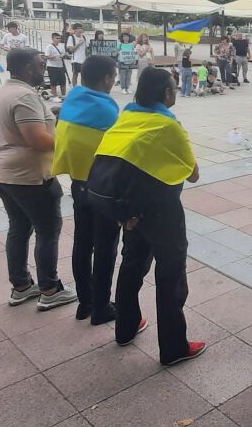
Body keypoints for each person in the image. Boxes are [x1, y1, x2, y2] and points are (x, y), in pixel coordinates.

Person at [88, 67, 205, 364]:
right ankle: (174, 347)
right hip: (162, 210)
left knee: (132, 266)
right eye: (173, 88)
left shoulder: (126, 117)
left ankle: (125, 327)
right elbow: (193, 174)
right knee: (170, 274)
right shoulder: (167, 125)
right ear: (166, 93)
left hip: (130, 210)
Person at [0, 47, 76, 310]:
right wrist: (66, 140)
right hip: (29, 176)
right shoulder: (24, 96)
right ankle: (50, 289)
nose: (44, 70)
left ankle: (21, 285)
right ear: (28, 68)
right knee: (47, 230)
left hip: (2, 171)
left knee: (19, 227)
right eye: (41, 65)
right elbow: (37, 140)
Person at [53, 55, 121, 324]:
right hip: (103, 190)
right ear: (106, 78)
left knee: (83, 244)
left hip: (79, 185)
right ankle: (101, 308)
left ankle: (86, 302)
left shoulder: (72, 100)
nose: (114, 82)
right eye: (114, 77)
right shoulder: (107, 110)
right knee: (105, 248)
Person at [44, 32, 68, 98]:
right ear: (53, 39)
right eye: (57, 38)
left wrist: (64, 56)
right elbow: (46, 56)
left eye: (59, 38)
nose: (58, 40)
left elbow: (63, 54)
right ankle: (55, 96)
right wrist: (54, 56)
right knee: (53, 82)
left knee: (63, 82)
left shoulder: (61, 46)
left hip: (60, 66)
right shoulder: (49, 46)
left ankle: (63, 95)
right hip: (52, 66)